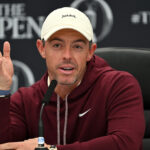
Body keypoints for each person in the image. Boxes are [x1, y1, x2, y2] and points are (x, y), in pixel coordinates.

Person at [0, 7, 145, 150]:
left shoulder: (119, 86)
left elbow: (126, 144)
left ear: (90, 52)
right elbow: (5, 146)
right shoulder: (25, 100)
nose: (67, 55)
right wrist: (2, 91)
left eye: (77, 47)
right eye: (57, 45)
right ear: (42, 48)